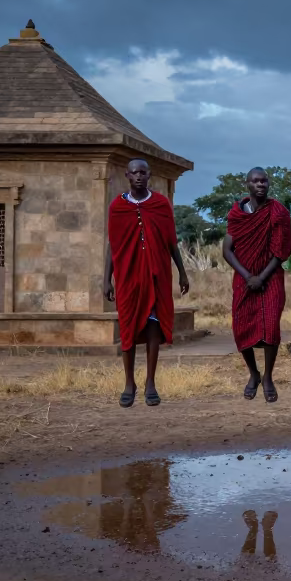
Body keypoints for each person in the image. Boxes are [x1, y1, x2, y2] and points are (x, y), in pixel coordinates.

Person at [104, 158, 190, 408]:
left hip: (157, 274)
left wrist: (182, 273)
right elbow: (113, 245)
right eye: (134, 173)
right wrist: (106, 278)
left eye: (143, 172)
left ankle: (151, 382)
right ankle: (129, 383)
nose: (139, 176)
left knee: (155, 327)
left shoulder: (161, 204)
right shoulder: (117, 207)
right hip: (128, 276)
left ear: (149, 175)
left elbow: (172, 241)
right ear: (127, 176)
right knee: (128, 327)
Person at [222, 168, 291, 404]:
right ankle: (253, 374)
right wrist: (247, 276)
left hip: (270, 276)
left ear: (269, 183)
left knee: (271, 326)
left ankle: (269, 377)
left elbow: (281, 251)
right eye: (255, 181)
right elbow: (227, 250)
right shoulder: (237, 214)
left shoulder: (278, 212)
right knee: (241, 327)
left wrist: (261, 277)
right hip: (244, 278)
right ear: (247, 185)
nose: (260, 184)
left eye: (264, 180)